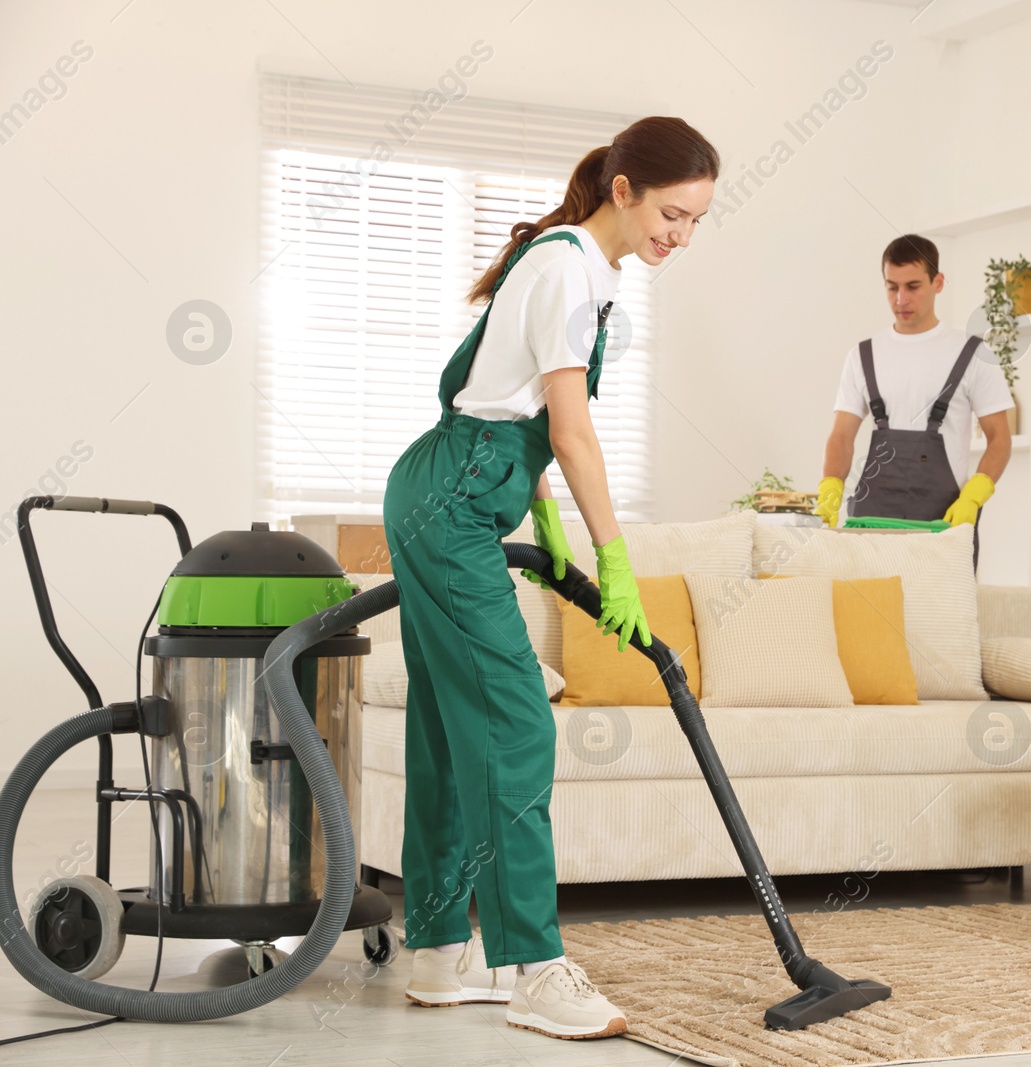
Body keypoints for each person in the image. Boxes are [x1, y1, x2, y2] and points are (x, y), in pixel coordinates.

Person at [380, 117, 718, 1039]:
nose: (679, 237)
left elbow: (509, 403)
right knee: (519, 720)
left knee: (452, 731)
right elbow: (566, 428)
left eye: (694, 223)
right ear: (624, 190)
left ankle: (443, 951)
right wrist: (615, 555)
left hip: (452, 490)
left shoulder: (585, 270)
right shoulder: (569, 265)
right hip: (451, 498)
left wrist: (543, 511)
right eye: (671, 214)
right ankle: (533, 965)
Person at [814, 234, 1013, 561]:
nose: (900, 299)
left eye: (913, 286)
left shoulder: (973, 354)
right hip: (871, 528)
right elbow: (841, 434)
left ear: (938, 283)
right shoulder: (863, 355)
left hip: (945, 524)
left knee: (944, 613)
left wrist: (973, 498)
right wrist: (830, 486)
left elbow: (1000, 438)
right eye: (891, 287)